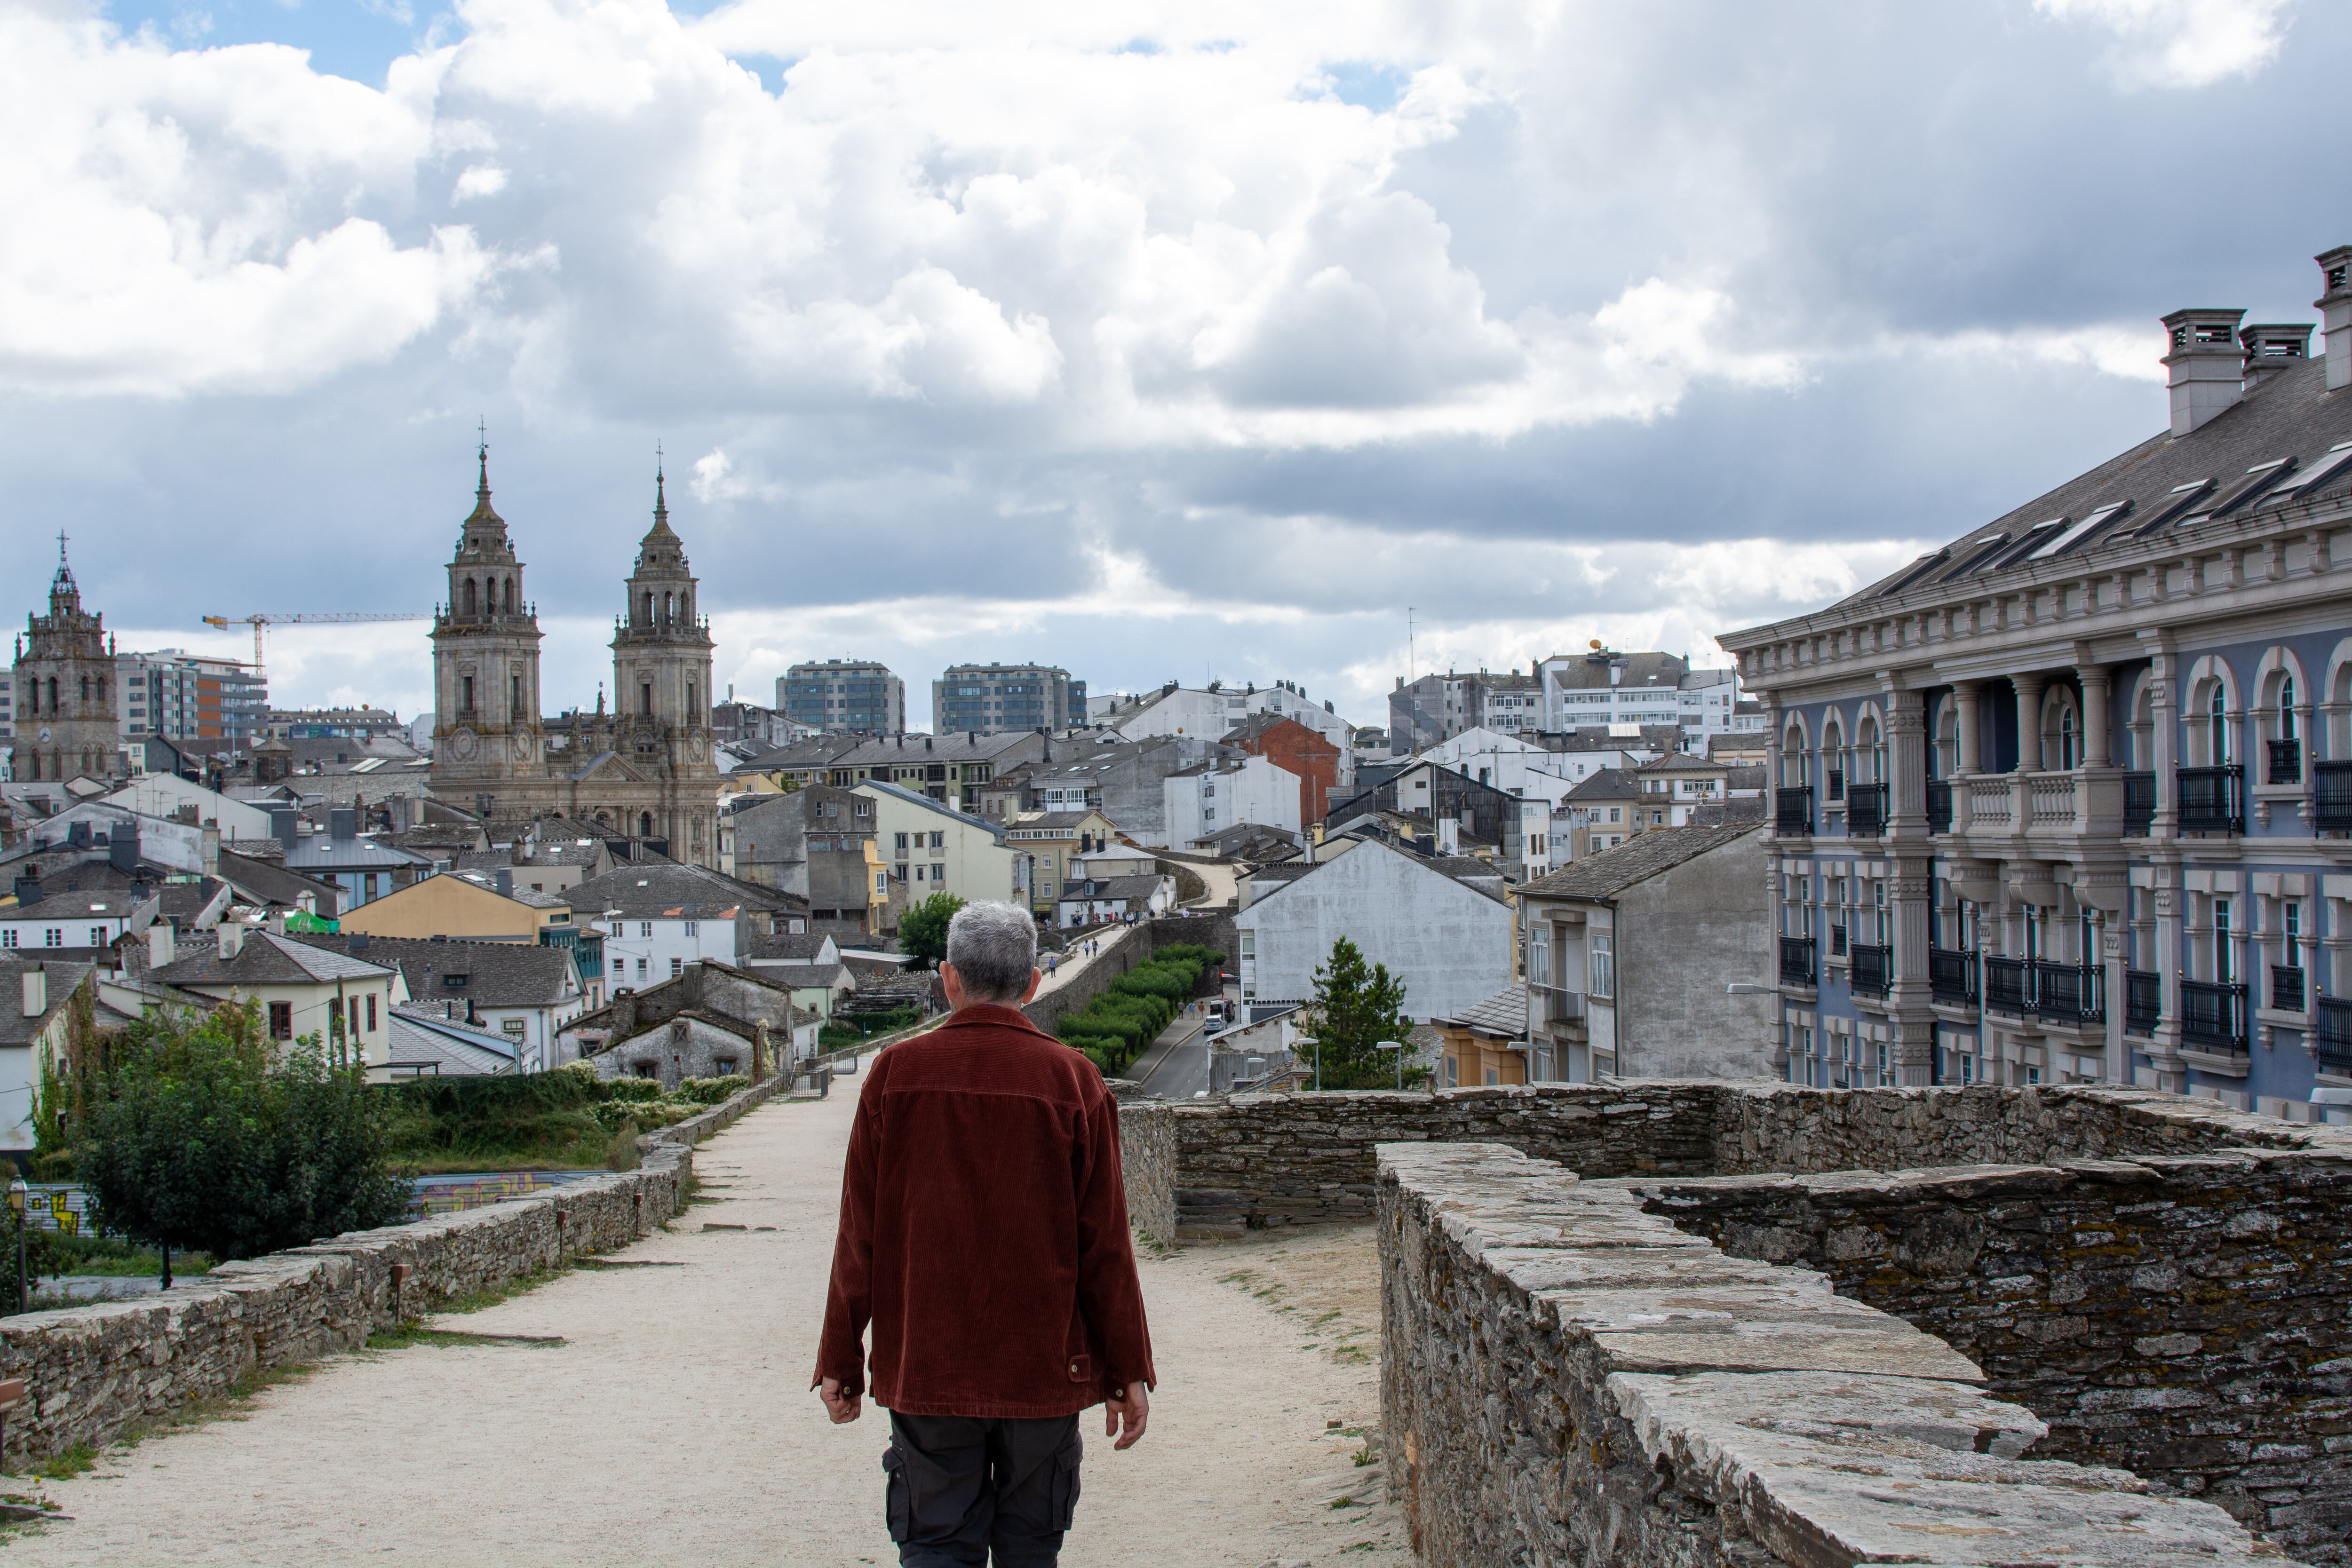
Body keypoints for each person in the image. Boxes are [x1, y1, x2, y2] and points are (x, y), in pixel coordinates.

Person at [816, 901, 1155, 1567]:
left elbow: (860, 1233)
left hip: (928, 1361)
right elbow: (1107, 1246)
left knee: (937, 1545)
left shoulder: (892, 1076)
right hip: (1044, 1366)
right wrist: (1128, 1368)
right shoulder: (1075, 1080)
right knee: (1032, 1546)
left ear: (948, 979)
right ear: (1032, 984)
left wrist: (839, 1357)